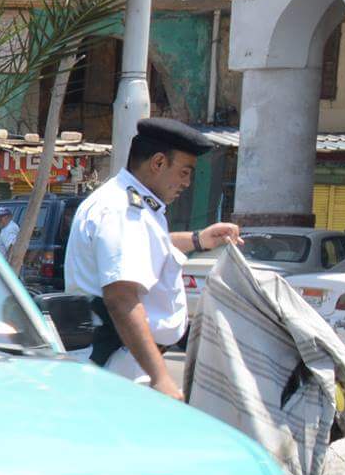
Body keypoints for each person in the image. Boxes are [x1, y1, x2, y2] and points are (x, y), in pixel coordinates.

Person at [64, 118, 242, 399]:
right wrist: (161, 377)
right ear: (158, 163)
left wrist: (198, 239)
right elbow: (121, 299)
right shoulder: (123, 210)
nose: (187, 182)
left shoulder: (134, 204)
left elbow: (143, 248)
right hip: (118, 365)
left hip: (124, 361)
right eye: (184, 172)